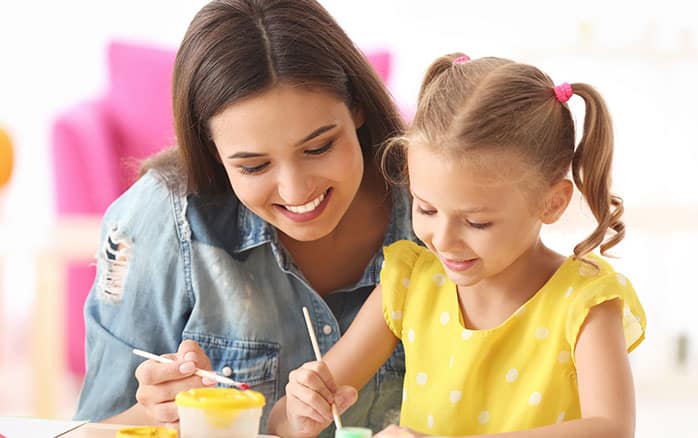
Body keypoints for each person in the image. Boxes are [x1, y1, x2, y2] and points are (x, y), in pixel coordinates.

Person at [74, 0, 416, 434]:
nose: (297, 192)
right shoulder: (158, 220)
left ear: (357, 107)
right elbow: (93, 428)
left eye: (319, 147)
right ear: (213, 153)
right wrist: (169, 414)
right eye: (253, 167)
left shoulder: (439, 210)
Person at [269, 54, 646, 438]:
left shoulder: (583, 302)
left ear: (553, 203)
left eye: (476, 222)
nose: (443, 240)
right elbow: (282, 420)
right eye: (426, 208)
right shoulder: (410, 283)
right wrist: (301, 408)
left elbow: (611, 428)